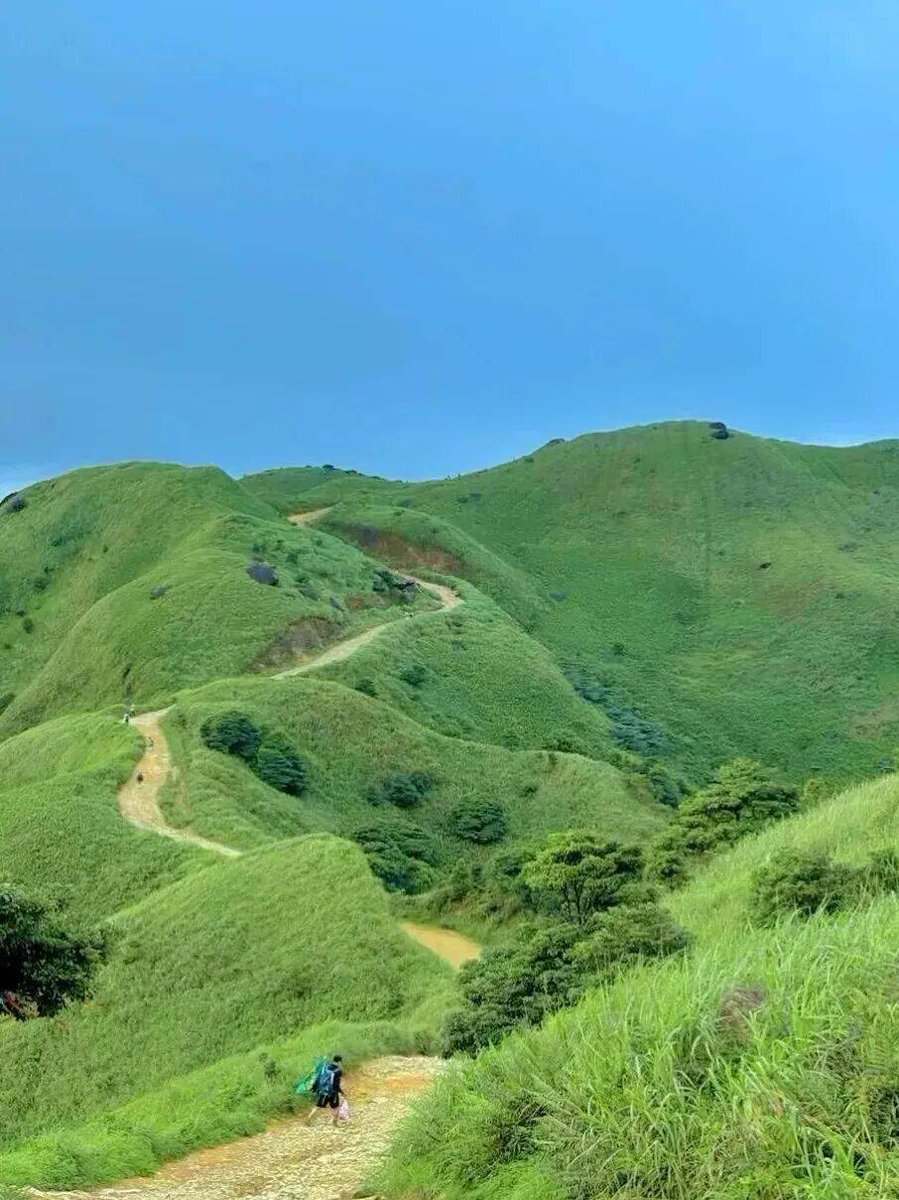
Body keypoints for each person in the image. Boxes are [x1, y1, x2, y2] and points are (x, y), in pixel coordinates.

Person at [309, 1055, 345, 1126]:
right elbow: (336, 1085)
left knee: (318, 1106)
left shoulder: (326, 1068)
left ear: (333, 1060)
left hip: (323, 1090)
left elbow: (319, 1078)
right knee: (336, 1107)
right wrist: (342, 1092)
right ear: (340, 1062)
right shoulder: (338, 1071)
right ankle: (335, 1123)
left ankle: (309, 1118)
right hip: (333, 1092)